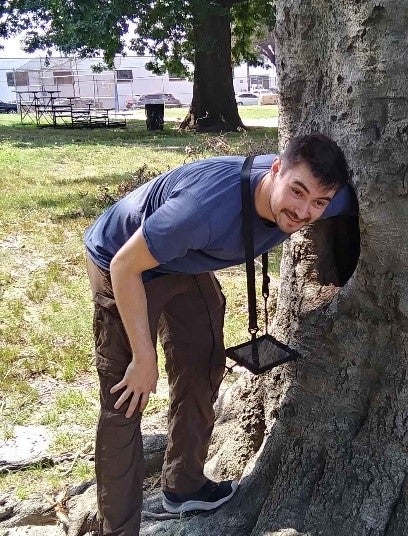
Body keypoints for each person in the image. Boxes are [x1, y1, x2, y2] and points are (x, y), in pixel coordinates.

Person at [83, 133, 353, 536]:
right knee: (126, 399)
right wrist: (143, 357)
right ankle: (117, 530)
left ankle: (184, 485)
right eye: (297, 192)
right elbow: (126, 267)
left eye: (318, 203)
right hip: (124, 263)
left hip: (184, 261)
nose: (303, 211)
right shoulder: (201, 211)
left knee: (203, 359)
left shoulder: (321, 200)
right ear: (276, 170)